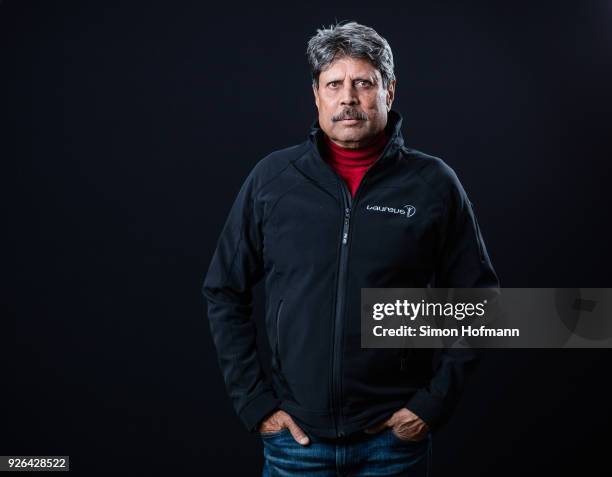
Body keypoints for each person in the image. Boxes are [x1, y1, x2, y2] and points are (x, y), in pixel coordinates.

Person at [202, 20, 499, 476]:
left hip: (392, 445)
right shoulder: (273, 180)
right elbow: (223, 289)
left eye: (364, 82)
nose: (348, 98)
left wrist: (433, 403)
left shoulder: (432, 184)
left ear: (389, 91)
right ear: (316, 95)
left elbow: (479, 300)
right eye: (334, 84)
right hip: (294, 444)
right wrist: (255, 403)